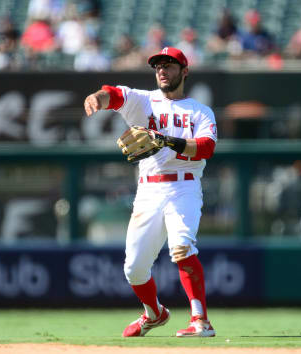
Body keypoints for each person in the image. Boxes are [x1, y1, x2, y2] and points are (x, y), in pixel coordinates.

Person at [83, 47, 217, 337]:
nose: (162, 70)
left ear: (185, 71)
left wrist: (167, 140)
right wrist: (98, 97)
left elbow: (206, 147)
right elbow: (114, 94)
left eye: (169, 65)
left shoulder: (199, 110)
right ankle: (154, 313)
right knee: (133, 269)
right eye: (158, 66)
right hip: (148, 190)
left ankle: (200, 321)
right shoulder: (145, 102)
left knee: (182, 248)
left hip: (184, 186)